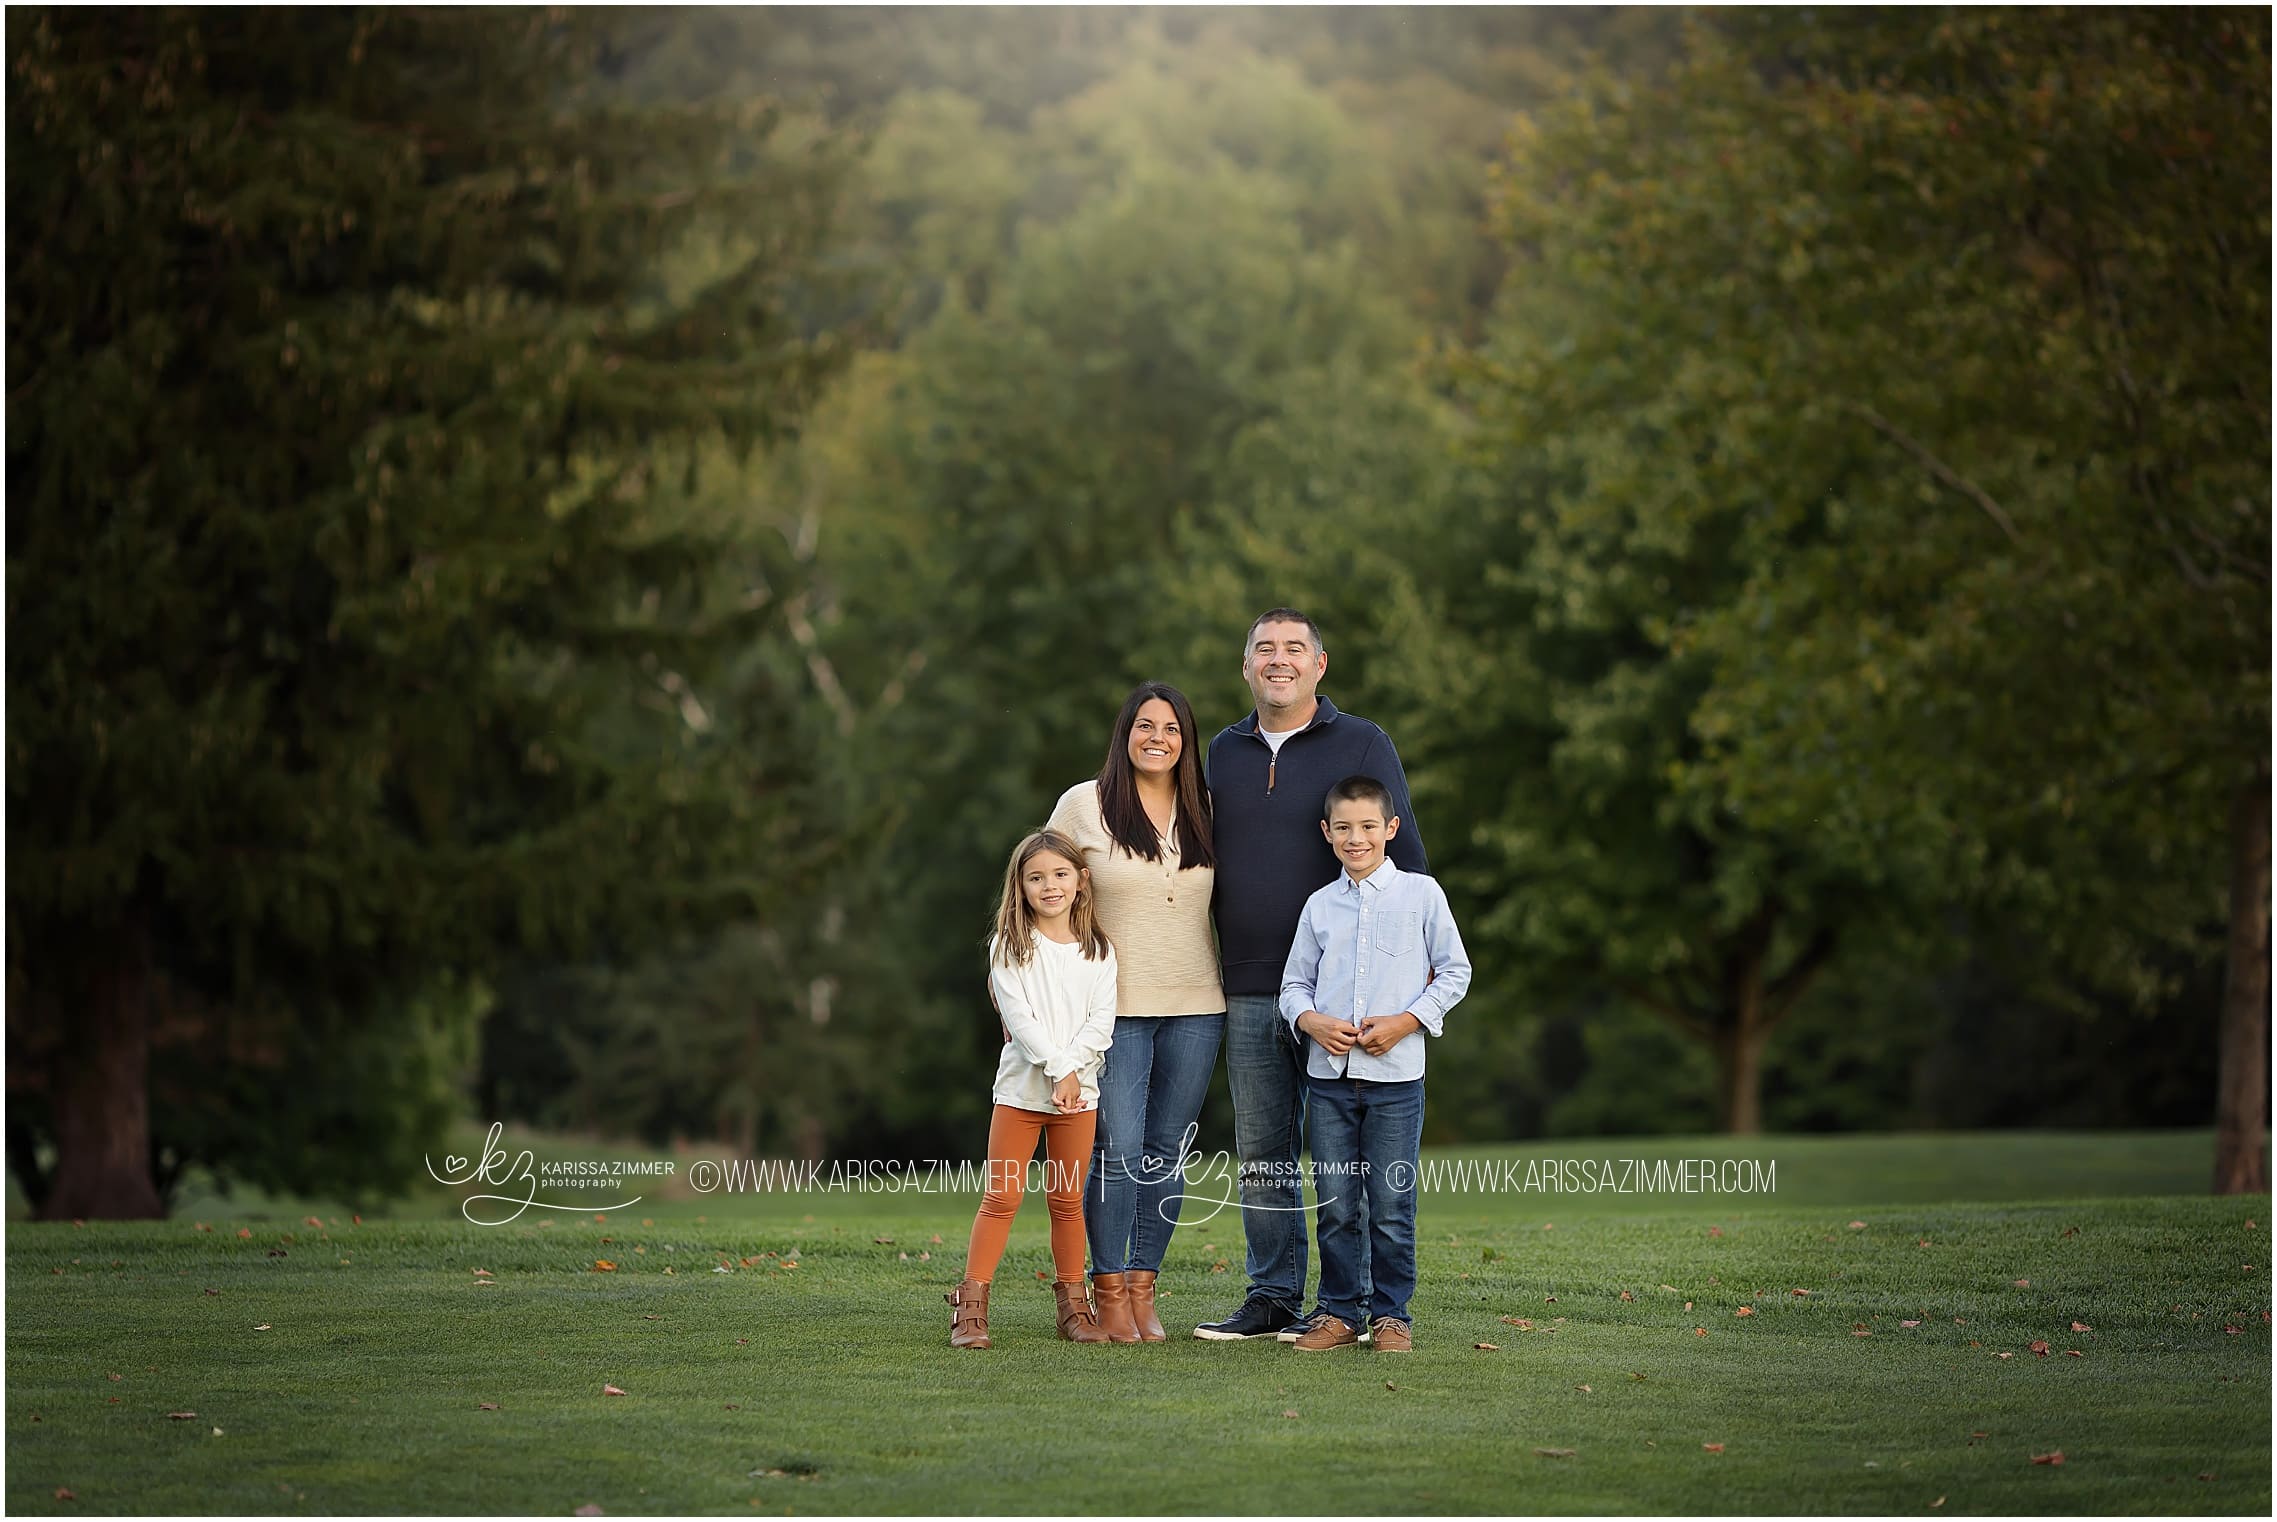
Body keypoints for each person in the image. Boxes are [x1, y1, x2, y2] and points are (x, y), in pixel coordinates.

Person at [1195, 608, 1429, 1343]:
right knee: (1264, 1152)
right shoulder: (1222, 752)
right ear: (1245, 667)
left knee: (1351, 1163)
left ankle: (1359, 1307)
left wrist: (1405, 1002)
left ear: (1318, 665)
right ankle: (1272, 1297)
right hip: (1249, 986)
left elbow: (1410, 867)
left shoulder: (1361, 741)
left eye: (1294, 648)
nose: (1278, 659)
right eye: (1263, 649)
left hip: (1352, 1001)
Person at [1046, 681, 1224, 1342]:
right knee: (1118, 1152)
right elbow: (1039, 888)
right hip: (1110, 1012)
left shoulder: (1205, 806)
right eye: (1145, 725)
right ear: (1124, 734)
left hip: (1198, 1007)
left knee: (1164, 1155)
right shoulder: (1083, 804)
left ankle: (1144, 1288)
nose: (1158, 737)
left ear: (1187, 741)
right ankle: (1109, 1289)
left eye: (1172, 728)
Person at [1279, 775, 1469, 1352]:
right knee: (1337, 1206)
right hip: (1330, 1083)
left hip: (1396, 1082)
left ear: (1390, 829)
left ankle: (1391, 1317)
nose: (1355, 838)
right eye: (1343, 828)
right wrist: (1310, 1021)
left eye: (1367, 827)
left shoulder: (1422, 895)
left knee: (1389, 1204)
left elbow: (1455, 972)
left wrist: (1406, 1022)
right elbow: (1293, 986)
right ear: (1327, 833)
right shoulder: (1319, 906)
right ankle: (1339, 1313)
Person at [946, 829, 1120, 1349]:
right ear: (1019, 887)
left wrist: (1072, 1075)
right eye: (1036, 877)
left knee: (1067, 1201)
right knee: (1000, 1198)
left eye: (1060, 875)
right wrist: (1057, 1069)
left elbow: (1101, 1024)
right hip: (1021, 1096)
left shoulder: (1099, 951)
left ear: (1081, 882)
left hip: (1078, 1098)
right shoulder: (1011, 947)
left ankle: (1073, 1308)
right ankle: (971, 1309)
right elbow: (1019, 1020)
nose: (1050, 886)